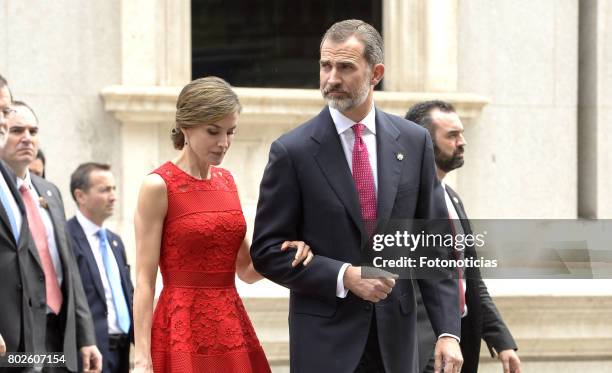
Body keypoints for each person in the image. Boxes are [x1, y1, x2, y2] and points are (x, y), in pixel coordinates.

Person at [251, 20, 463, 373]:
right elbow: (266, 251)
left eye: (345, 67)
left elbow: (435, 244)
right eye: (325, 65)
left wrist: (447, 332)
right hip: (325, 344)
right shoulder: (293, 151)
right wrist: (342, 275)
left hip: (397, 345)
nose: (331, 78)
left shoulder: (414, 142)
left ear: (376, 72)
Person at [132, 76, 314, 373]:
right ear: (186, 126)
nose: (224, 143)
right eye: (213, 131)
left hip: (230, 325)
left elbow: (246, 270)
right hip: (180, 329)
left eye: (231, 132)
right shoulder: (157, 186)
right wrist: (141, 358)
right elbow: (144, 280)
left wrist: (290, 247)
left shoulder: (227, 182)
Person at [406, 101, 521, 373]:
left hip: (459, 348)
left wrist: (501, 340)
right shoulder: (401, 204)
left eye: (462, 133)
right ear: (423, 141)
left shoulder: (452, 199)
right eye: (452, 135)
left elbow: (470, 279)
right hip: (421, 350)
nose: (463, 141)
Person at [2, 100, 102, 372]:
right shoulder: (4, 197)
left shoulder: (50, 192)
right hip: (16, 334)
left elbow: (68, 269)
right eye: (16, 130)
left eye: (33, 132)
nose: (27, 139)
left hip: (59, 331)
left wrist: (86, 337)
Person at [67, 163, 133, 373]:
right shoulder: (66, 238)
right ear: (81, 196)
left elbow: (128, 295)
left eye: (114, 189)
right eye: (104, 190)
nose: (113, 196)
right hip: (88, 355)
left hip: (122, 351)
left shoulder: (115, 242)